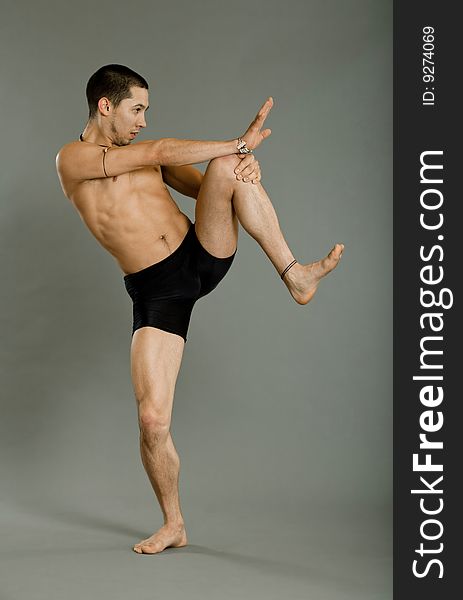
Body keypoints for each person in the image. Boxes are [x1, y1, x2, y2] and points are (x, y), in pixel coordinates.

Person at [55, 64, 344, 555]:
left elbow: (199, 183)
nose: (143, 120)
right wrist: (238, 142)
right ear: (106, 106)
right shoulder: (73, 158)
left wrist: (245, 165)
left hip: (200, 252)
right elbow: (162, 148)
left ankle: (294, 273)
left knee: (230, 170)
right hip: (156, 293)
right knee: (152, 421)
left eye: (146, 111)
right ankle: (174, 524)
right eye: (137, 109)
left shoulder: (144, 156)